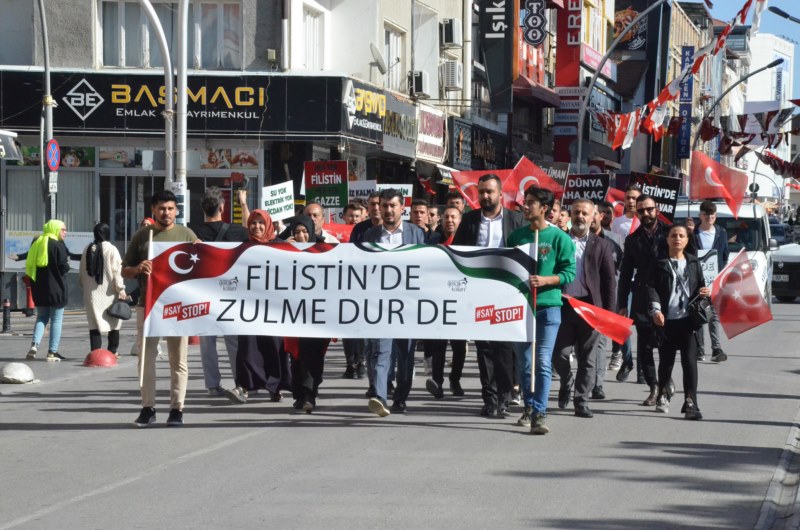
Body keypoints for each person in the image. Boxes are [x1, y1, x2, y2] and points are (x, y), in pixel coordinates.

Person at [122, 190, 197, 427]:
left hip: (178, 305)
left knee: (178, 360)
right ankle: (148, 407)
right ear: (153, 210)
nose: (166, 213)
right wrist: (137, 269)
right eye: (162, 208)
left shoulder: (187, 235)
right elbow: (125, 270)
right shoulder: (143, 236)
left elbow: (203, 265)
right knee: (146, 359)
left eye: (170, 208)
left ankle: (177, 409)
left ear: (177, 210)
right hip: (149, 304)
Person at [452, 174, 525, 418]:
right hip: (479, 292)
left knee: (504, 348)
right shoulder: (470, 220)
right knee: (484, 348)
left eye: (489, 192)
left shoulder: (516, 219)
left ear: (500, 194)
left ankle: (505, 396)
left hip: (507, 292)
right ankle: (489, 399)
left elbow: (525, 252)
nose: (484, 196)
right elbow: (457, 253)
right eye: (481, 192)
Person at [508, 187, 575, 434]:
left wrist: (546, 281)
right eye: (525, 202)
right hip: (522, 308)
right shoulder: (517, 237)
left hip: (549, 309)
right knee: (525, 364)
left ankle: (540, 412)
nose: (526, 206)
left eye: (531, 203)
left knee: (543, 362)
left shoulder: (560, 239)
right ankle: (528, 405)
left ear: (544, 208)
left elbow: (569, 272)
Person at [551, 199, 616, 419]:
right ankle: (566, 382)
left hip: (591, 309)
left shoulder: (602, 245)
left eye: (585, 214)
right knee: (560, 354)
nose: (580, 217)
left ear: (593, 217)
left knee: (588, 359)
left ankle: (581, 401)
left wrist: (608, 313)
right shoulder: (559, 241)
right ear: (570, 215)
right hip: (563, 306)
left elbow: (609, 282)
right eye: (577, 212)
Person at [364, 188, 425, 416]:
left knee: (405, 355)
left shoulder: (416, 233)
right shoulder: (371, 235)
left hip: (408, 305)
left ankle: (400, 398)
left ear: (402, 208)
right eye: (384, 206)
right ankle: (380, 396)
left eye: (393, 206)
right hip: (380, 304)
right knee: (381, 350)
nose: (388, 210)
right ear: (379, 208)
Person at [225, 209, 292, 405]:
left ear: (269, 224)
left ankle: (276, 387)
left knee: (274, 346)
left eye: (261, 223)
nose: (257, 226)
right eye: (253, 222)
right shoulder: (243, 248)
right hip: (249, 308)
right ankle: (244, 387)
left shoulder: (281, 247)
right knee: (247, 348)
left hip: (275, 308)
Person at [647, 224, 709, 420]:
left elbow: (701, 288)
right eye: (674, 235)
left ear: (687, 240)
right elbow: (651, 288)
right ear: (667, 239)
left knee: (690, 363)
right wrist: (656, 310)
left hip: (688, 322)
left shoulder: (693, 262)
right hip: (666, 321)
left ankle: (691, 402)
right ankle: (663, 394)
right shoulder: (659, 263)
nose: (677, 239)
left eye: (682, 235)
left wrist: (704, 293)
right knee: (666, 363)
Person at [191, 187, 249, 396]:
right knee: (234, 343)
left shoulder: (193, 233)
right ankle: (240, 383)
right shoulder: (236, 231)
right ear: (223, 207)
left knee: (207, 344)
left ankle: (212, 386)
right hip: (231, 295)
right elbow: (250, 230)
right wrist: (243, 203)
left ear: (202, 209)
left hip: (203, 295)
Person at [617, 195, 672, 407]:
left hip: (667, 295)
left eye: (649, 209)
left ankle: (666, 381)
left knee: (666, 345)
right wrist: (622, 303)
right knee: (646, 347)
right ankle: (654, 387)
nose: (646, 214)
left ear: (657, 210)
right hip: (642, 296)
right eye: (641, 211)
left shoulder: (670, 233)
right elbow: (625, 273)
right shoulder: (632, 240)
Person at [286, 216, 331, 413]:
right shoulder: (285, 250)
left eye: (305, 231)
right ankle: (300, 395)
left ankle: (309, 394)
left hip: (318, 313)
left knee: (313, 355)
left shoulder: (325, 251)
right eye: (297, 232)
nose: (301, 236)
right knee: (297, 356)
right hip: (294, 312)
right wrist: (282, 247)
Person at [424, 206, 468, 398]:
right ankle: (437, 382)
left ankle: (455, 379)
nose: (450, 220)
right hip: (438, 301)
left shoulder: (467, 241)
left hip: (460, 300)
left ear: (460, 220)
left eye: (454, 217)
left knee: (459, 347)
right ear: (441, 220)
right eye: (447, 217)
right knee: (438, 345)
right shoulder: (432, 240)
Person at [78, 223, 127, 357]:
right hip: (109, 293)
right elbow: (117, 271)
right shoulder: (111, 249)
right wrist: (121, 289)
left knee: (94, 323)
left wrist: (84, 286)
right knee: (114, 321)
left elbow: (81, 271)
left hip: (91, 294)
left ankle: (95, 352)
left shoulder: (87, 248)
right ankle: (112, 350)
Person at [24, 220, 70, 362]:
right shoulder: (57, 245)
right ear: (55, 229)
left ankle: (35, 345)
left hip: (39, 288)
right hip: (56, 289)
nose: (65, 232)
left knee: (42, 317)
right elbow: (63, 267)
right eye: (63, 229)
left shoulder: (37, 244)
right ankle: (52, 352)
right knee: (56, 320)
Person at [691, 200, 729, 363]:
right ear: (700, 215)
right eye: (706, 214)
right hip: (696, 281)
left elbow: (725, 255)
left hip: (714, 281)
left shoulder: (721, 232)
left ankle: (716, 348)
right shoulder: (693, 233)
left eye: (712, 215)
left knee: (714, 315)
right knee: (699, 314)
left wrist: (719, 274)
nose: (710, 217)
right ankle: (699, 348)